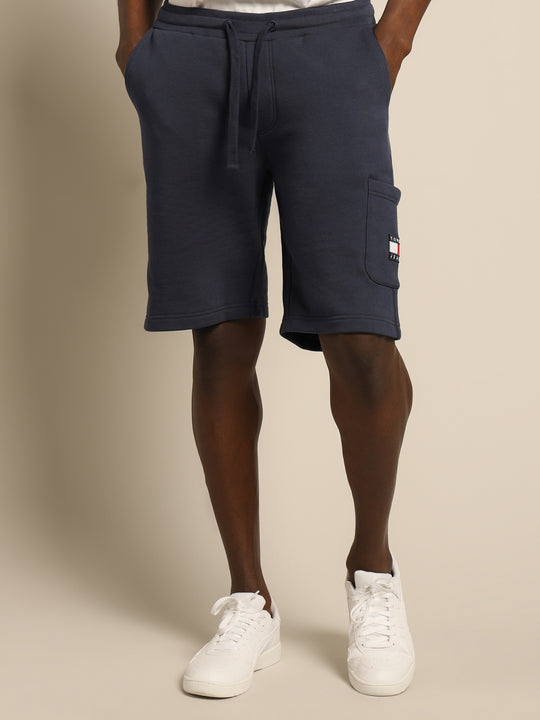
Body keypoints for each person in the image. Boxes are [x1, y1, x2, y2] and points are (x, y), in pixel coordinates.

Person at [116, 0, 431, 699]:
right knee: (220, 331)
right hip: (192, 48)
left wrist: (396, 36)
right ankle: (249, 599)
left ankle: (373, 571)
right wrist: (135, 38)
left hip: (329, 48)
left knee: (361, 334)